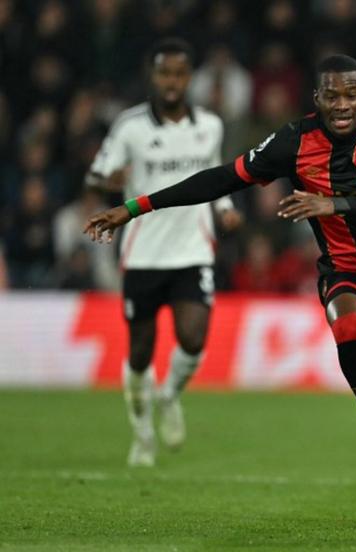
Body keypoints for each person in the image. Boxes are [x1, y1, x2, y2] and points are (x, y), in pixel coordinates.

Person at [84, 54, 356, 524]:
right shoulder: (295, 140)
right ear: (317, 99)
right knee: (346, 325)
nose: (342, 105)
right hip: (344, 267)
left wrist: (332, 203)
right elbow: (224, 178)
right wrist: (137, 206)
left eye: (351, 94)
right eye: (332, 96)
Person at [85, 38, 242, 468]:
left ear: (188, 78)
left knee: (193, 338)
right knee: (140, 352)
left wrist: (226, 208)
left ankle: (169, 395)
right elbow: (97, 175)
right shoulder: (130, 126)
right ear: (153, 77)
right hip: (143, 254)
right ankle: (141, 435)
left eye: (178, 74)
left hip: (192, 249)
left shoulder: (209, 125)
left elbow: (214, 175)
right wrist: (109, 183)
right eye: (164, 74)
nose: (171, 82)